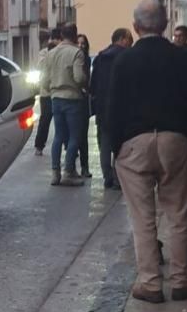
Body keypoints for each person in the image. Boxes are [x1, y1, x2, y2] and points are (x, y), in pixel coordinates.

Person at [107, 0, 187, 303]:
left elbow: (112, 109)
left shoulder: (123, 61)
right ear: (165, 25)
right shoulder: (181, 58)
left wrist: (115, 149)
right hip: (175, 140)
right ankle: (181, 282)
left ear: (136, 27)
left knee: (143, 218)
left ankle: (150, 284)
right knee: (178, 214)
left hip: (134, 144)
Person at [40, 23, 88, 187]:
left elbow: (44, 80)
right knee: (74, 136)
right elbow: (79, 77)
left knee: (59, 136)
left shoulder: (51, 53)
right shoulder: (77, 53)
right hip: (72, 98)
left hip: (55, 98)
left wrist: (52, 89)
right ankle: (69, 171)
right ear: (74, 36)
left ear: (61, 35)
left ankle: (55, 173)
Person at [90, 28, 133, 190]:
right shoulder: (127, 57)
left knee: (105, 143)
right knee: (120, 144)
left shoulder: (100, 58)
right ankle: (117, 178)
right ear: (122, 39)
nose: (131, 44)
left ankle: (107, 176)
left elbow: (93, 85)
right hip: (122, 107)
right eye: (129, 40)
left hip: (102, 107)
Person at [33, 28, 61, 157]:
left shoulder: (62, 52)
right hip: (46, 92)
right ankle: (39, 145)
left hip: (59, 91)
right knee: (45, 120)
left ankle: (67, 144)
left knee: (62, 121)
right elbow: (40, 66)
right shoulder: (44, 53)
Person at [76, 34, 93, 178]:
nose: (81, 46)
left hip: (83, 100)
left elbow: (87, 79)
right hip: (74, 99)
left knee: (83, 136)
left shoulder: (86, 60)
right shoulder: (74, 58)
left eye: (83, 43)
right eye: (78, 43)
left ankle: (84, 167)